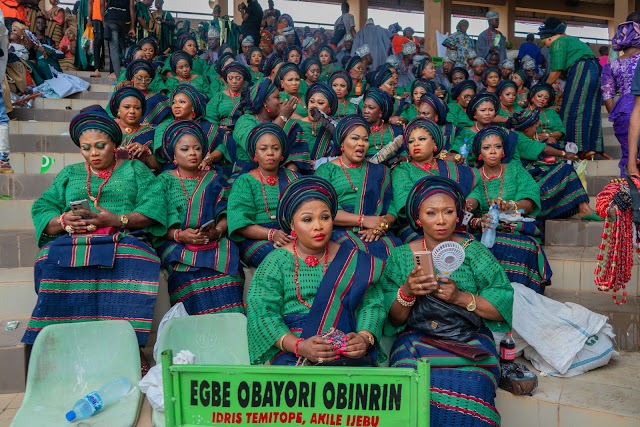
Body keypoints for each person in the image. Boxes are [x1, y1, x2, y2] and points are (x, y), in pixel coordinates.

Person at [23, 107, 167, 352]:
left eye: (100, 145)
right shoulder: (70, 173)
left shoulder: (134, 169)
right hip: (75, 239)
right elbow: (43, 207)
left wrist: (116, 219)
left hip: (123, 237)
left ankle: (126, 349)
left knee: (136, 258)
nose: (93, 153)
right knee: (47, 258)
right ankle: (66, 346)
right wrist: (63, 220)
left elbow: (154, 208)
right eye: (85, 148)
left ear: (114, 143)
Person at [381, 175, 513, 426]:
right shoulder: (400, 257)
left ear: (458, 215)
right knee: (408, 379)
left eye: (449, 212)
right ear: (418, 219)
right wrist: (407, 292)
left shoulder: (474, 252)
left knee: (474, 383)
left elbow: (501, 305)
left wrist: (460, 297)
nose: (441, 220)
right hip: (417, 340)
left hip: (469, 340)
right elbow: (394, 319)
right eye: (431, 213)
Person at [246, 176, 385, 366]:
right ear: (292, 225)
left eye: (325, 217)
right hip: (293, 354)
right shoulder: (275, 262)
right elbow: (262, 314)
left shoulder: (354, 259)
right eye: (307, 219)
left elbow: (372, 305)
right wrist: (299, 346)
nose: (318, 226)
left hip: (346, 352)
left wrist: (363, 338)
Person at [157, 120, 244, 315]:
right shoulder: (163, 181)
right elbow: (157, 221)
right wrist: (180, 235)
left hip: (213, 240)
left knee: (229, 275)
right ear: (174, 156)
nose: (192, 153)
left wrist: (218, 231)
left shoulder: (214, 178)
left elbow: (227, 212)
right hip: (176, 242)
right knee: (187, 279)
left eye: (197, 149)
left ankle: (230, 334)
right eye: (185, 149)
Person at [464, 125, 552, 293]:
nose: (492, 151)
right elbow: (473, 198)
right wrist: (469, 204)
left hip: (515, 228)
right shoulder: (473, 174)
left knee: (528, 248)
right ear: (480, 153)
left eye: (497, 147)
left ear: (503, 151)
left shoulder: (515, 169)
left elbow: (529, 199)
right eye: (486, 147)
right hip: (485, 229)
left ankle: (526, 298)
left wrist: (512, 205)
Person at [315, 115, 401, 260]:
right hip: (340, 228)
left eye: (365, 139)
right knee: (355, 252)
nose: (361, 143)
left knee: (395, 249)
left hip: (375, 227)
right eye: (355, 138)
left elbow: (391, 205)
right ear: (342, 142)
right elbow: (321, 209)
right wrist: (363, 220)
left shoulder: (380, 171)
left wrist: (383, 225)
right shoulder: (326, 170)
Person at [392, 118, 479, 243]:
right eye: (411, 141)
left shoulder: (449, 166)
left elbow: (474, 183)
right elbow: (404, 201)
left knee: (468, 244)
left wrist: (469, 202)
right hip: (416, 226)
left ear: (435, 144)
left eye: (422, 139)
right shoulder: (403, 169)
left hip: (451, 221)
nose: (416, 144)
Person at [228, 123, 301, 267]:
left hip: (291, 235)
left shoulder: (294, 178)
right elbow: (239, 223)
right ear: (255, 154)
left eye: (275, 148)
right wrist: (271, 234)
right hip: (257, 239)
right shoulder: (245, 182)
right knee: (284, 259)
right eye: (263, 149)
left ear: (282, 154)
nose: (270, 153)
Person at [513, 109, 598, 222]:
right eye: (534, 128)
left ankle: (584, 208)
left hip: (532, 176)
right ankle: (584, 209)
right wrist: (564, 154)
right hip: (527, 184)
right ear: (526, 128)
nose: (536, 130)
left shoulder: (521, 135)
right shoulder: (518, 137)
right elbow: (543, 149)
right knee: (565, 169)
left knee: (564, 170)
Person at [540, 17, 606, 158]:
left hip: (582, 70)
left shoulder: (557, 43)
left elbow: (556, 71)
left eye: (545, 42)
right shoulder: (572, 41)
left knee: (572, 109)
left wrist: (542, 88)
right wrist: (564, 91)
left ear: (550, 38)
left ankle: (574, 148)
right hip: (594, 70)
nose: (546, 46)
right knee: (590, 108)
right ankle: (591, 147)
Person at [233, 78, 299, 171]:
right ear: (264, 102)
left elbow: (297, 155)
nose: (281, 101)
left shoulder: (288, 123)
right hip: (247, 171)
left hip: (280, 173)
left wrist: (289, 175)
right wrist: (283, 117)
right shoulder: (244, 121)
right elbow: (261, 142)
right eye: (277, 97)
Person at [602, 19, 640, 176]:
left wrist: (616, 114)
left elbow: (607, 94)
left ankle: (628, 194)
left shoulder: (612, 65)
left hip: (623, 111)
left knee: (629, 155)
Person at [108, 86, 159, 170]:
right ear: (118, 110)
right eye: (127, 107)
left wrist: (146, 152)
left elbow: (157, 166)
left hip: (140, 178)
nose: (132, 111)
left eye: (137, 108)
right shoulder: (108, 129)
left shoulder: (149, 132)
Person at [122, 59, 170, 125]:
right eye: (139, 78)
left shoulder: (156, 97)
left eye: (147, 79)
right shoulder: (126, 95)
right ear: (133, 79)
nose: (143, 81)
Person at [205, 61, 251, 126]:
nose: (234, 81)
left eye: (238, 78)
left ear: (244, 81)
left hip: (242, 130)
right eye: (230, 78)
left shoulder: (249, 96)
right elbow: (210, 117)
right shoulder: (219, 96)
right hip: (220, 131)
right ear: (226, 80)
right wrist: (219, 128)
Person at [361, 88, 404, 157]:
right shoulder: (358, 129)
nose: (365, 111)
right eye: (364, 107)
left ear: (381, 111)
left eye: (371, 108)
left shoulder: (395, 130)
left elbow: (404, 151)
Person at [104, 0, 136, 79]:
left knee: (113, 48)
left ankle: (118, 76)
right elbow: (132, 7)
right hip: (124, 20)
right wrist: (132, 26)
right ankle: (128, 74)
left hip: (111, 18)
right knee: (125, 47)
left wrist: (103, 21)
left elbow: (102, 5)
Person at [88, 0, 104, 77]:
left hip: (101, 18)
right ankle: (97, 68)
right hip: (98, 18)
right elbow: (90, 3)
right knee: (97, 44)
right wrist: (89, 18)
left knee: (98, 44)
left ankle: (98, 68)